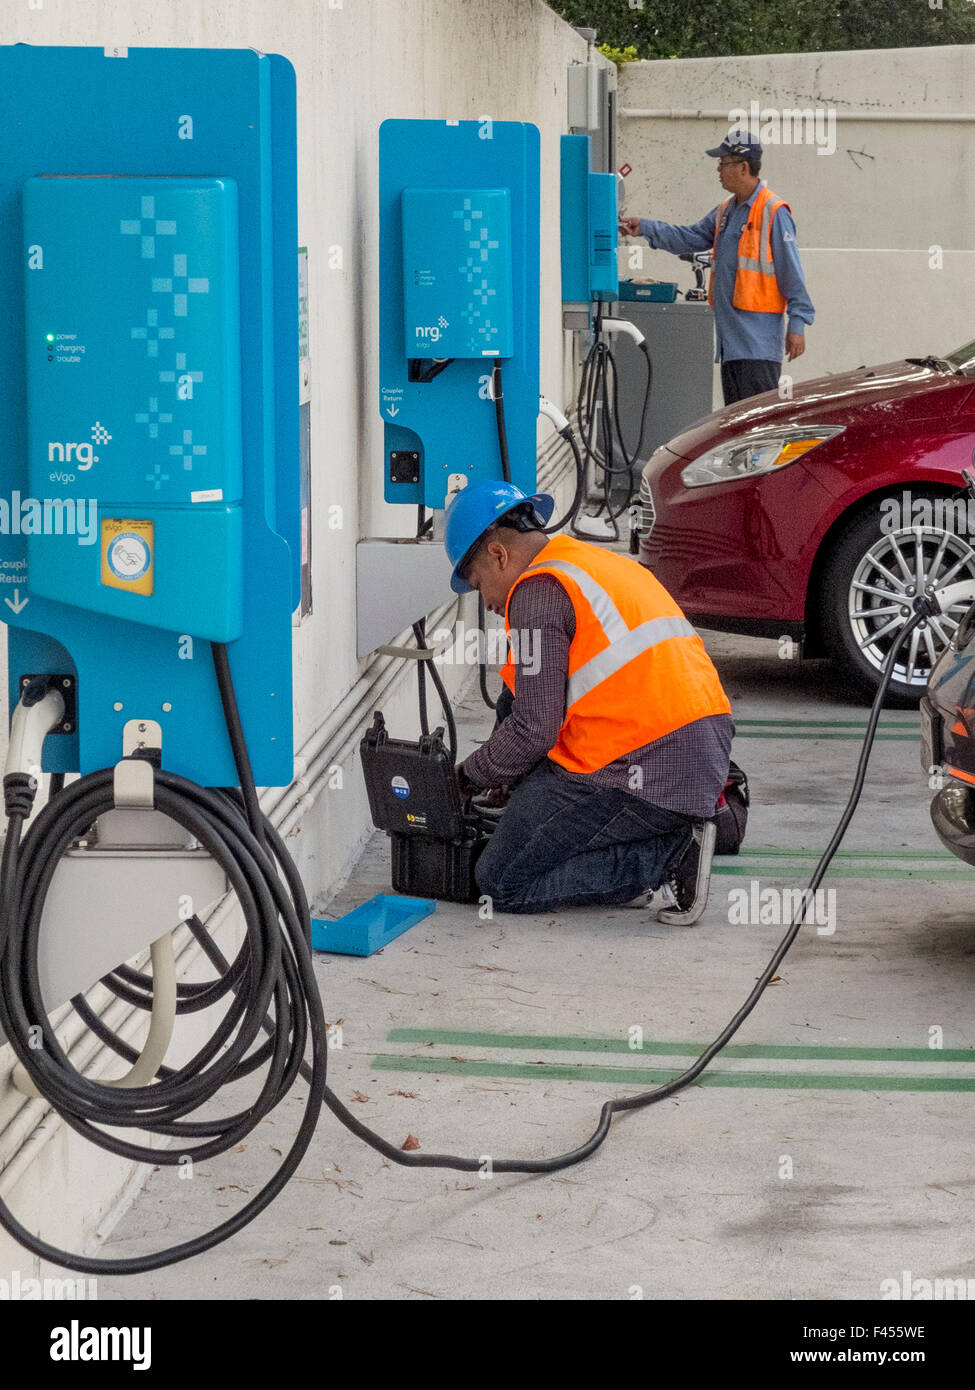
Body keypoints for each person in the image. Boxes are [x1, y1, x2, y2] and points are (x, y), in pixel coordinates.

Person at [445, 479, 735, 921]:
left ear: (498, 555)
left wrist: (467, 778)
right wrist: (510, 774)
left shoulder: (536, 593)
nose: (485, 602)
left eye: (478, 583)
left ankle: (668, 853)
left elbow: (533, 730)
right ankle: (658, 838)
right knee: (516, 727)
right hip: (695, 748)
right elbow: (526, 701)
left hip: (648, 766)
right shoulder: (585, 562)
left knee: (501, 880)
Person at [619, 131, 814, 406]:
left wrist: (797, 324)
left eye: (723, 163)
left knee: (755, 432)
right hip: (732, 347)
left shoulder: (773, 211)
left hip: (757, 347)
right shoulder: (726, 212)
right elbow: (688, 238)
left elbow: (791, 271)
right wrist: (647, 227)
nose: (718, 170)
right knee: (737, 430)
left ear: (744, 167)